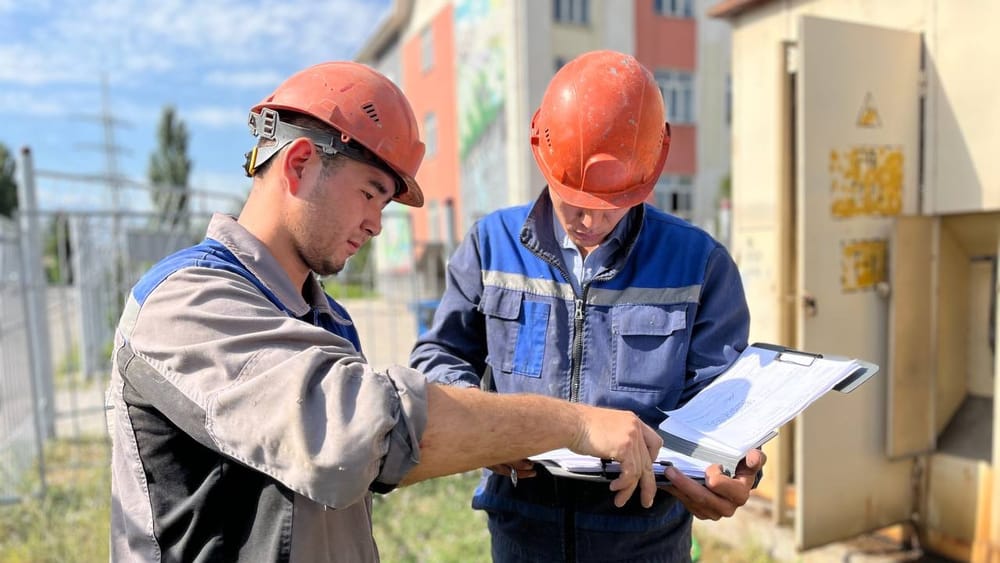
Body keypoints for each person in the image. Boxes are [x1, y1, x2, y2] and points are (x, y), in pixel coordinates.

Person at [106, 61, 665, 562]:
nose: (377, 224)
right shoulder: (184, 304)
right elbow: (356, 435)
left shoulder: (326, 319)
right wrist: (576, 424)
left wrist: (497, 434)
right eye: (371, 193)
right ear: (299, 163)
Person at [409, 50, 765, 562]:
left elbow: (725, 407)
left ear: (651, 172)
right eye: (572, 200)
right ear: (541, 154)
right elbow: (438, 359)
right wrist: (488, 428)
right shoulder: (491, 246)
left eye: (612, 203)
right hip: (520, 535)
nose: (591, 222)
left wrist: (736, 469)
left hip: (646, 544)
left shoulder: (699, 264)